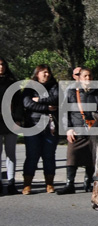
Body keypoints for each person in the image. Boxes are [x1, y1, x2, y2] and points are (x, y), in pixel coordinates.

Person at [57, 67, 98, 195]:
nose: (88, 79)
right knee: (72, 157)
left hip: (93, 130)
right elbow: (64, 111)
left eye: (90, 76)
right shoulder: (72, 92)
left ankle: (88, 182)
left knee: (91, 158)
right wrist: (68, 129)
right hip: (76, 130)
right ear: (79, 78)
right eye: (85, 76)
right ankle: (69, 183)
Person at [21, 65, 59, 195]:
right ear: (37, 74)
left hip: (50, 126)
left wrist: (39, 100)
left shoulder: (55, 86)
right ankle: (27, 184)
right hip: (33, 125)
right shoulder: (29, 87)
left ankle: (49, 183)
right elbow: (27, 103)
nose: (46, 75)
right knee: (32, 156)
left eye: (48, 72)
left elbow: (56, 99)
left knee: (49, 156)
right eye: (43, 72)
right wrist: (47, 108)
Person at [0, 57, 22, 195]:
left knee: (10, 153)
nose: (0, 67)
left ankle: (11, 182)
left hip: (10, 121)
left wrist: (18, 120)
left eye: (2, 64)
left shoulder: (12, 83)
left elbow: (19, 103)